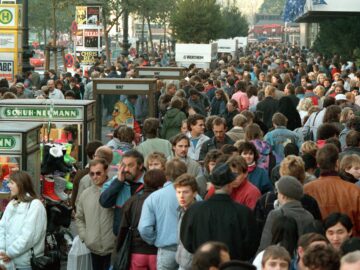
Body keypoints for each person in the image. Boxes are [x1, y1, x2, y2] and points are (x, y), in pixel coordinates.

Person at [180, 163, 259, 261]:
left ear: (212, 184)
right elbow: (251, 244)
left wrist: (201, 255)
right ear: (230, 185)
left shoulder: (194, 210)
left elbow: (186, 240)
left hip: (203, 264)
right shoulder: (243, 212)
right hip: (232, 265)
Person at [138, 158, 188, 270]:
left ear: (165, 174)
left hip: (166, 249)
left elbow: (144, 228)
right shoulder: (195, 196)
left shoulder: (154, 197)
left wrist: (155, 240)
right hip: (188, 250)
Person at [304, 144, 360, 236]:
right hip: (350, 243)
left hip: (318, 244)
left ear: (318, 164)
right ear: (337, 163)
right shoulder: (353, 189)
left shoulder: (307, 190)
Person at [117, 169, 167, 270]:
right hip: (158, 252)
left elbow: (123, 226)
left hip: (136, 251)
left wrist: (118, 249)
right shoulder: (164, 200)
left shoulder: (132, 201)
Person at [0, 171, 47, 270]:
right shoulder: (12, 203)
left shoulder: (35, 205)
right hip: (8, 262)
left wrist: (10, 253)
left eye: (12, 183)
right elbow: (2, 228)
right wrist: (2, 251)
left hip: (26, 264)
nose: (8, 185)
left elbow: (29, 236)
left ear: (21, 185)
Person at [76, 159, 116, 270]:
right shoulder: (86, 194)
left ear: (106, 171)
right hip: (93, 246)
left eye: (98, 173)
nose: (95, 177)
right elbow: (79, 217)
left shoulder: (114, 191)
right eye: (92, 174)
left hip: (112, 247)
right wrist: (85, 236)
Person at [258, 176, 314, 252]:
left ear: (283, 196)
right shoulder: (309, 216)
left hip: (278, 258)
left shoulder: (275, 214)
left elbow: (265, 244)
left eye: (278, 192)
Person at [100, 150, 145, 235]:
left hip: (142, 238)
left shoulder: (149, 182)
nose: (126, 169)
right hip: (122, 235)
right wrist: (118, 182)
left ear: (140, 166)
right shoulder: (116, 181)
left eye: (130, 165)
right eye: (124, 165)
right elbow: (104, 202)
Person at [174, 174, 198, 270]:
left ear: (195, 193)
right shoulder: (181, 210)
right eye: (178, 192)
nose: (181, 196)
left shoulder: (198, 213)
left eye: (185, 192)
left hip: (193, 265)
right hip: (182, 262)